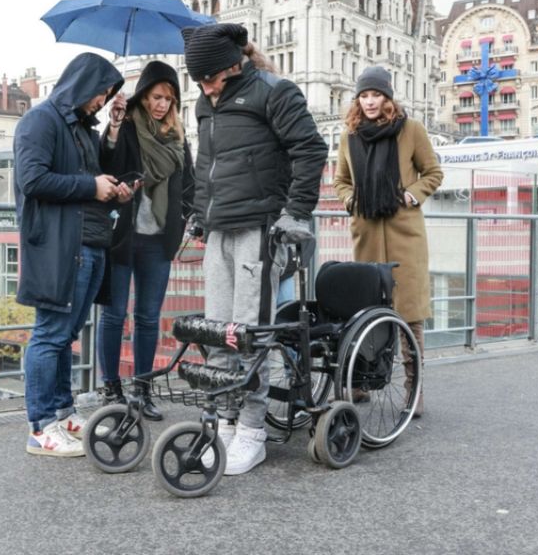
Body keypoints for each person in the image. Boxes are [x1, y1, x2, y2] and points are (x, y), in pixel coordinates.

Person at [182, 23, 327, 475]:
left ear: (234, 64)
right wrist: (200, 213)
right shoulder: (207, 105)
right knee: (218, 332)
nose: (206, 89)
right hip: (221, 231)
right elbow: (207, 165)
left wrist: (296, 212)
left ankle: (251, 431)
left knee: (250, 332)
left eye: (211, 79)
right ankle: (224, 422)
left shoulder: (275, 92)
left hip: (261, 230)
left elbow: (311, 150)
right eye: (199, 82)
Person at [13, 52, 132, 457]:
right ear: (81, 85)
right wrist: (90, 187)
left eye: (106, 94)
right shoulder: (41, 120)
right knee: (49, 335)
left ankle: (62, 414)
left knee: (65, 336)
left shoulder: (79, 127)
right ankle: (41, 427)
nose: (101, 101)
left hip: (89, 243)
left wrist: (109, 186)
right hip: (59, 246)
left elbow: (90, 177)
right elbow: (32, 179)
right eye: (100, 92)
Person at [333, 65, 444, 418]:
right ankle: (363, 382)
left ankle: (414, 388)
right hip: (366, 234)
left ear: (388, 97)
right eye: (364, 95)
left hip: (405, 236)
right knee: (366, 312)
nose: (369, 102)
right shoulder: (349, 135)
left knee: (409, 314)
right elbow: (340, 180)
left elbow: (433, 172)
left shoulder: (411, 130)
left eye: (376, 95)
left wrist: (411, 195)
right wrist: (351, 200)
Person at [94, 60, 195, 420]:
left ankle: (142, 390)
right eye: (156, 96)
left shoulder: (177, 139)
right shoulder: (129, 129)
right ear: (143, 97)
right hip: (123, 235)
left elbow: (189, 187)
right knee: (114, 314)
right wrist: (115, 125)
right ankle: (111, 391)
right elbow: (106, 160)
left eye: (168, 99)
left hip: (157, 241)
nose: (161, 104)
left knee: (149, 317)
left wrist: (182, 219)